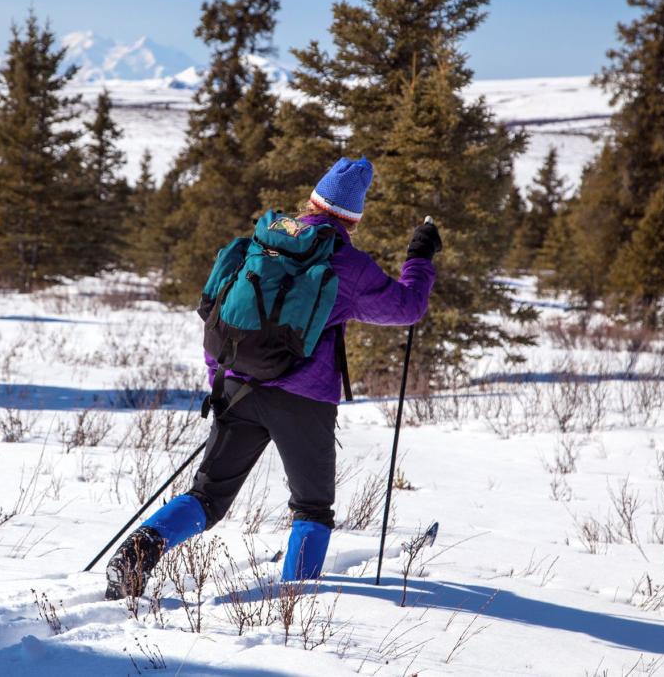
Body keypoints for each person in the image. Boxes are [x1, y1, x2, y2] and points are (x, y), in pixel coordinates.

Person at [105, 155, 441, 599]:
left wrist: (220, 382)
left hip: (237, 386)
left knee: (208, 496)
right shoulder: (348, 264)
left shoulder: (257, 245)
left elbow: (216, 315)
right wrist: (419, 256)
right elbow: (408, 307)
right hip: (304, 400)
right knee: (312, 508)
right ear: (353, 219)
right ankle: (295, 602)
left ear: (311, 202)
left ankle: (140, 550)